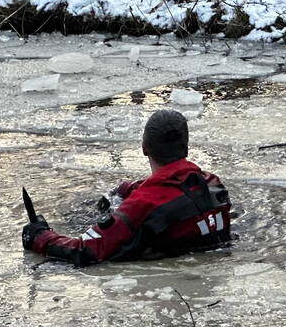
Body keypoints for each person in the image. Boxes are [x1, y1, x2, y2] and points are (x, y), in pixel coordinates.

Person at [22, 110, 231, 266]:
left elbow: (85, 250)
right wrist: (128, 188)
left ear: (143, 148)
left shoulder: (141, 205)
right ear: (185, 146)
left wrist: (40, 237)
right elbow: (175, 188)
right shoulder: (212, 184)